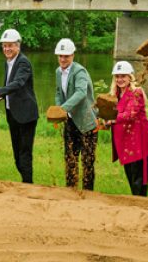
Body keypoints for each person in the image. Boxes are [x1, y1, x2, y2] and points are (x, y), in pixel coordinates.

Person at [107, 61, 148, 196]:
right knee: (130, 176)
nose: (119, 79)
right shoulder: (115, 95)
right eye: (117, 77)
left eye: (123, 76)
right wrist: (105, 121)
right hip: (125, 141)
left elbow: (130, 114)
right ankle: (137, 205)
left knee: (139, 179)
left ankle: (141, 205)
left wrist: (112, 119)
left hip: (140, 140)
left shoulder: (137, 92)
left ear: (130, 77)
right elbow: (110, 114)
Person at [0, 29, 39, 183]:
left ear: (18, 46)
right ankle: (26, 182)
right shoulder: (8, 62)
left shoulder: (23, 62)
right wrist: (2, 95)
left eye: (10, 46)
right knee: (17, 156)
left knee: (24, 154)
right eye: (4, 46)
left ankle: (28, 185)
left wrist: (0, 91)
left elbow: (18, 83)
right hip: (12, 113)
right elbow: (9, 84)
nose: (7, 49)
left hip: (26, 115)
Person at [53, 38, 98, 190]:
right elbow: (59, 92)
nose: (63, 59)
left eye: (66, 56)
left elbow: (81, 93)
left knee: (87, 161)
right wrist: (58, 109)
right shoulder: (58, 72)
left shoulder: (79, 72)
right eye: (60, 55)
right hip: (70, 122)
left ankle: (88, 192)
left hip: (86, 122)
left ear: (72, 55)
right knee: (70, 158)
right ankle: (70, 191)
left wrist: (63, 108)